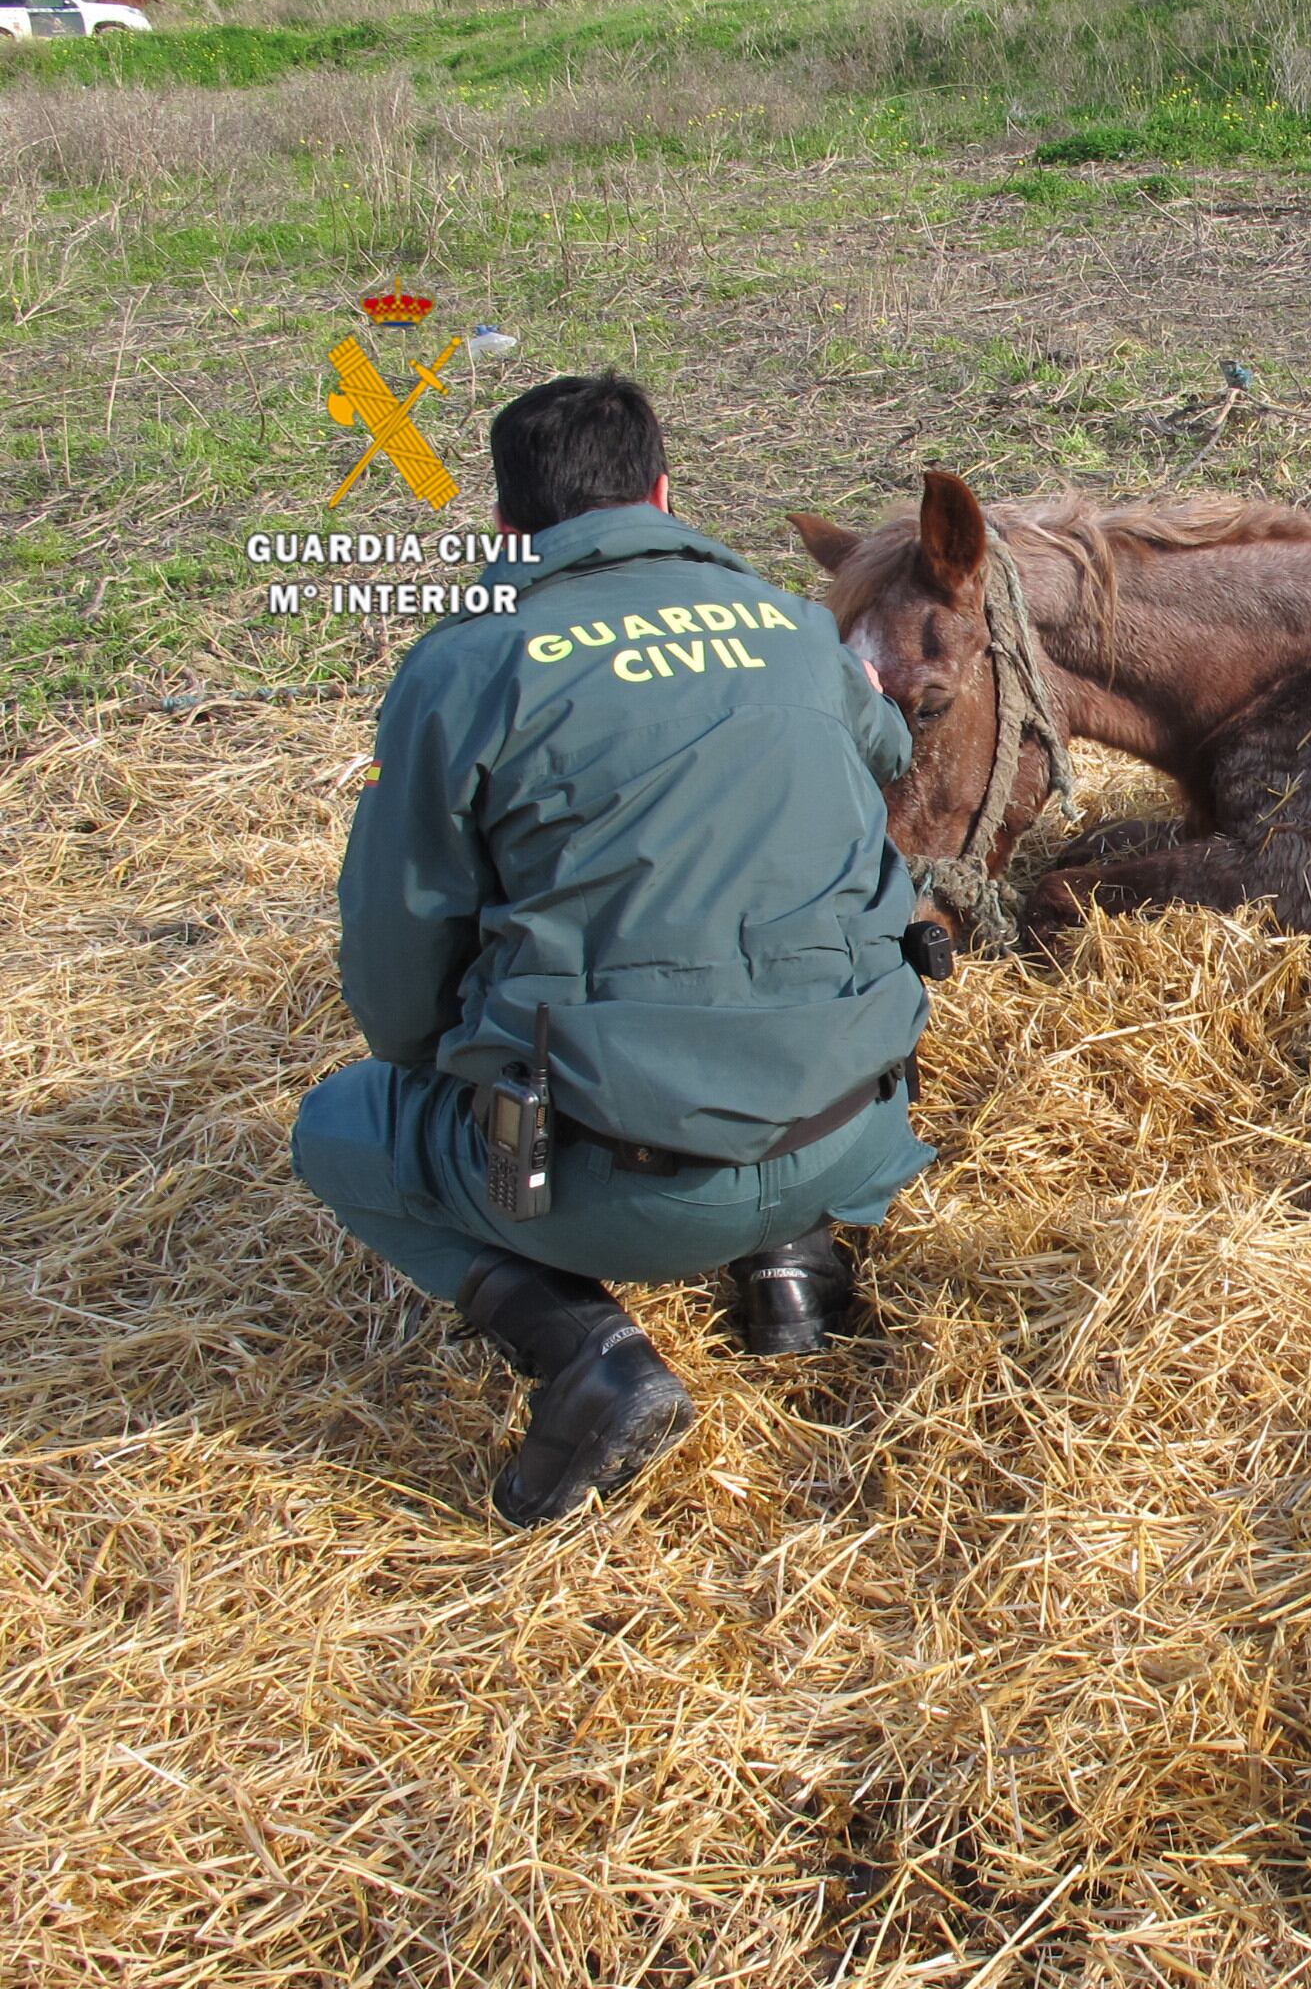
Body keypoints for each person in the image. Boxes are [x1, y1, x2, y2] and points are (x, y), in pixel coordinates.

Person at [291, 373, 937, 1527]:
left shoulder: (465, 665)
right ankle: (792, 1271)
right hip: (853, 1135)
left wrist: (444, 1065)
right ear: (663, 491)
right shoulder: (796, 631)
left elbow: (397, 983)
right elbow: (889, 749)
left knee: (340, 1126)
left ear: (507, 524)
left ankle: (587, 1355)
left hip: (608, 1188)